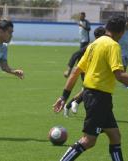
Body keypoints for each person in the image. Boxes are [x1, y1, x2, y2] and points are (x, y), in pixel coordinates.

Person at [53, 15, 128, 161]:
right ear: (121, 32)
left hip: (94, 96)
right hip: (98, 97)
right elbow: (119, 75)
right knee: (88, 140)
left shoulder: (94, 44)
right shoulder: (113, 45)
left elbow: (76, 71)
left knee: (115, 135)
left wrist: (64, 96)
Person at [63, 26, 106, 117]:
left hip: (91, 71)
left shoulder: (101, 45)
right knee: (89, 90)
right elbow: (76, 54)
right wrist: (68, 69)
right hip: (85, 71)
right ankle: (75, 103)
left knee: (86, 91)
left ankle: (69, 106)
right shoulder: (92, 45)